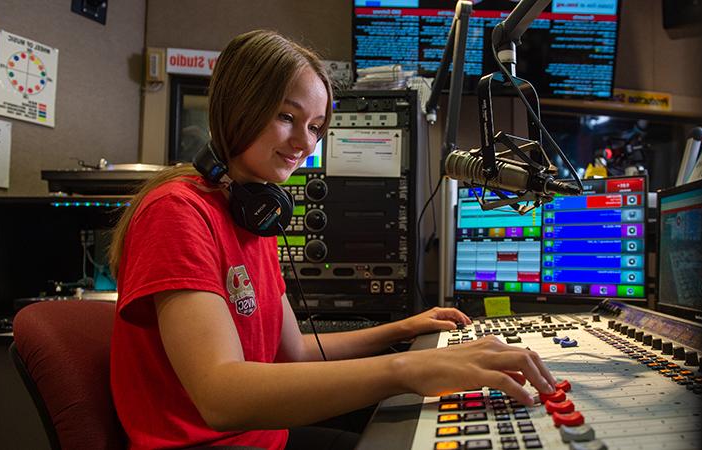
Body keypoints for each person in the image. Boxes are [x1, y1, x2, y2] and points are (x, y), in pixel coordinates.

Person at [109, 30, 557, 450]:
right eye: (287, 116)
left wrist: (406, 330)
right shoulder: (177, 212)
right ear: (238, 106)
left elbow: (298, 352)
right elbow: (221, 396)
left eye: (317, 127)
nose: (303, 142)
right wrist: (408, 368)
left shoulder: (253, 214)